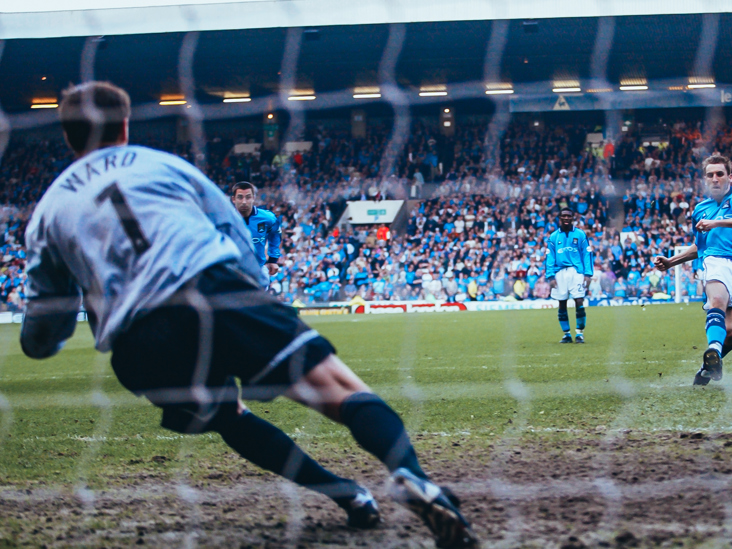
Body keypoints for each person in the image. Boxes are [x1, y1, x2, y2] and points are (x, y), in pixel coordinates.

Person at [19, 82, 477, 548]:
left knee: (230, 417)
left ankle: (349, 497)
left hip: (139, 338)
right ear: (124, 124)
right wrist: (252, 297)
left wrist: (40, 343)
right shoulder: (162, 165)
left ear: (67, 135)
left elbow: (47, 322)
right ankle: (410, 475)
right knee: (339, 391)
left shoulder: (48, 210)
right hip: (212, 288)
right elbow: (231, 230)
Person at [653, 155, 732, 386]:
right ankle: (713, 350)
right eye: (710, 175)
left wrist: (716, 223)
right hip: (718, 261)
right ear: (705, 179)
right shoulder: (700, 210)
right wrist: (671, 261)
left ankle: (708, 366)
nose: (715, 179)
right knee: (717, 299)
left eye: (720, 174)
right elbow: (702, 246)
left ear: (730, 177)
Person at [545, 207, 593, 343]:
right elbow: (550, 257)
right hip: (559, 272)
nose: (566, 218)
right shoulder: (553, 237)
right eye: (563, 216)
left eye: (568, 216)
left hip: (576, 271)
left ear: (573, 218)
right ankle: (566, 334)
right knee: (562, 302)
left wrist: (588, 274)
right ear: (559, 218)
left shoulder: (580, 234)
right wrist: (550, 276)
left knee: (579, 300)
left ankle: (579, 333)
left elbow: (587, 254)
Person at [230, 181, 281, 279]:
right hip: (233, 271)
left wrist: (273, 260)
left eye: (248, 197)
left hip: (258, 271)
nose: (244, 201)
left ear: (253, 198)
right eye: (240, 197)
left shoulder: (267, 218)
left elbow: (275, 234)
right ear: (233, 199)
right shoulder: (225, 218)